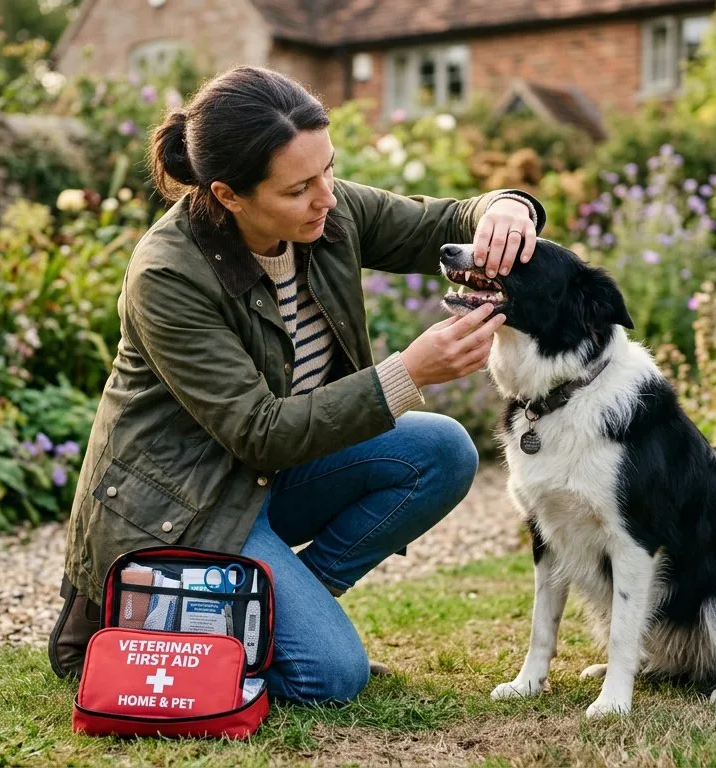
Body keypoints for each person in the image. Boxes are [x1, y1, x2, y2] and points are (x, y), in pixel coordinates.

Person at [48, 64, 546, 705]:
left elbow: (438, 224)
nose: (327, 198)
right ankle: (143, 616)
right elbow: (258, 433)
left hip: (267, 481)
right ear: (228, 195)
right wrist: (409, 372)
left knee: (444, 450)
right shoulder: (169, 274)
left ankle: (258, 611)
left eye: (328, 170)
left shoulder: (325, 216)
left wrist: (505, 207)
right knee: (330, 679)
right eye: (299, 188)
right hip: (186, 502)